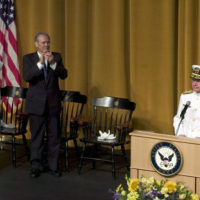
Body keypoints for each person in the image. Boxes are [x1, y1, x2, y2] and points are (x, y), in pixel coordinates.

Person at [23, 32, 68, 178]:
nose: (46, 45)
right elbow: (27, 77)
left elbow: (64, 74)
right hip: (36, 105)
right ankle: (36, 166)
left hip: (53, 105)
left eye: (48, 42)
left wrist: (53, 63)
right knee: (36, 137)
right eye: (43, 42)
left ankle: (54, 167)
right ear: (36, 44)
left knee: (54, 137)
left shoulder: (57, 57)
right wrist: (40, 63)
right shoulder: (28, 58)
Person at [173, 65, 200, 139]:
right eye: (193, 80)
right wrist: (180, 134)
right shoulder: (185, 96)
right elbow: (178, 118)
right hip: (185, 141)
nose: (195, 83)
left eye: (198, 81)